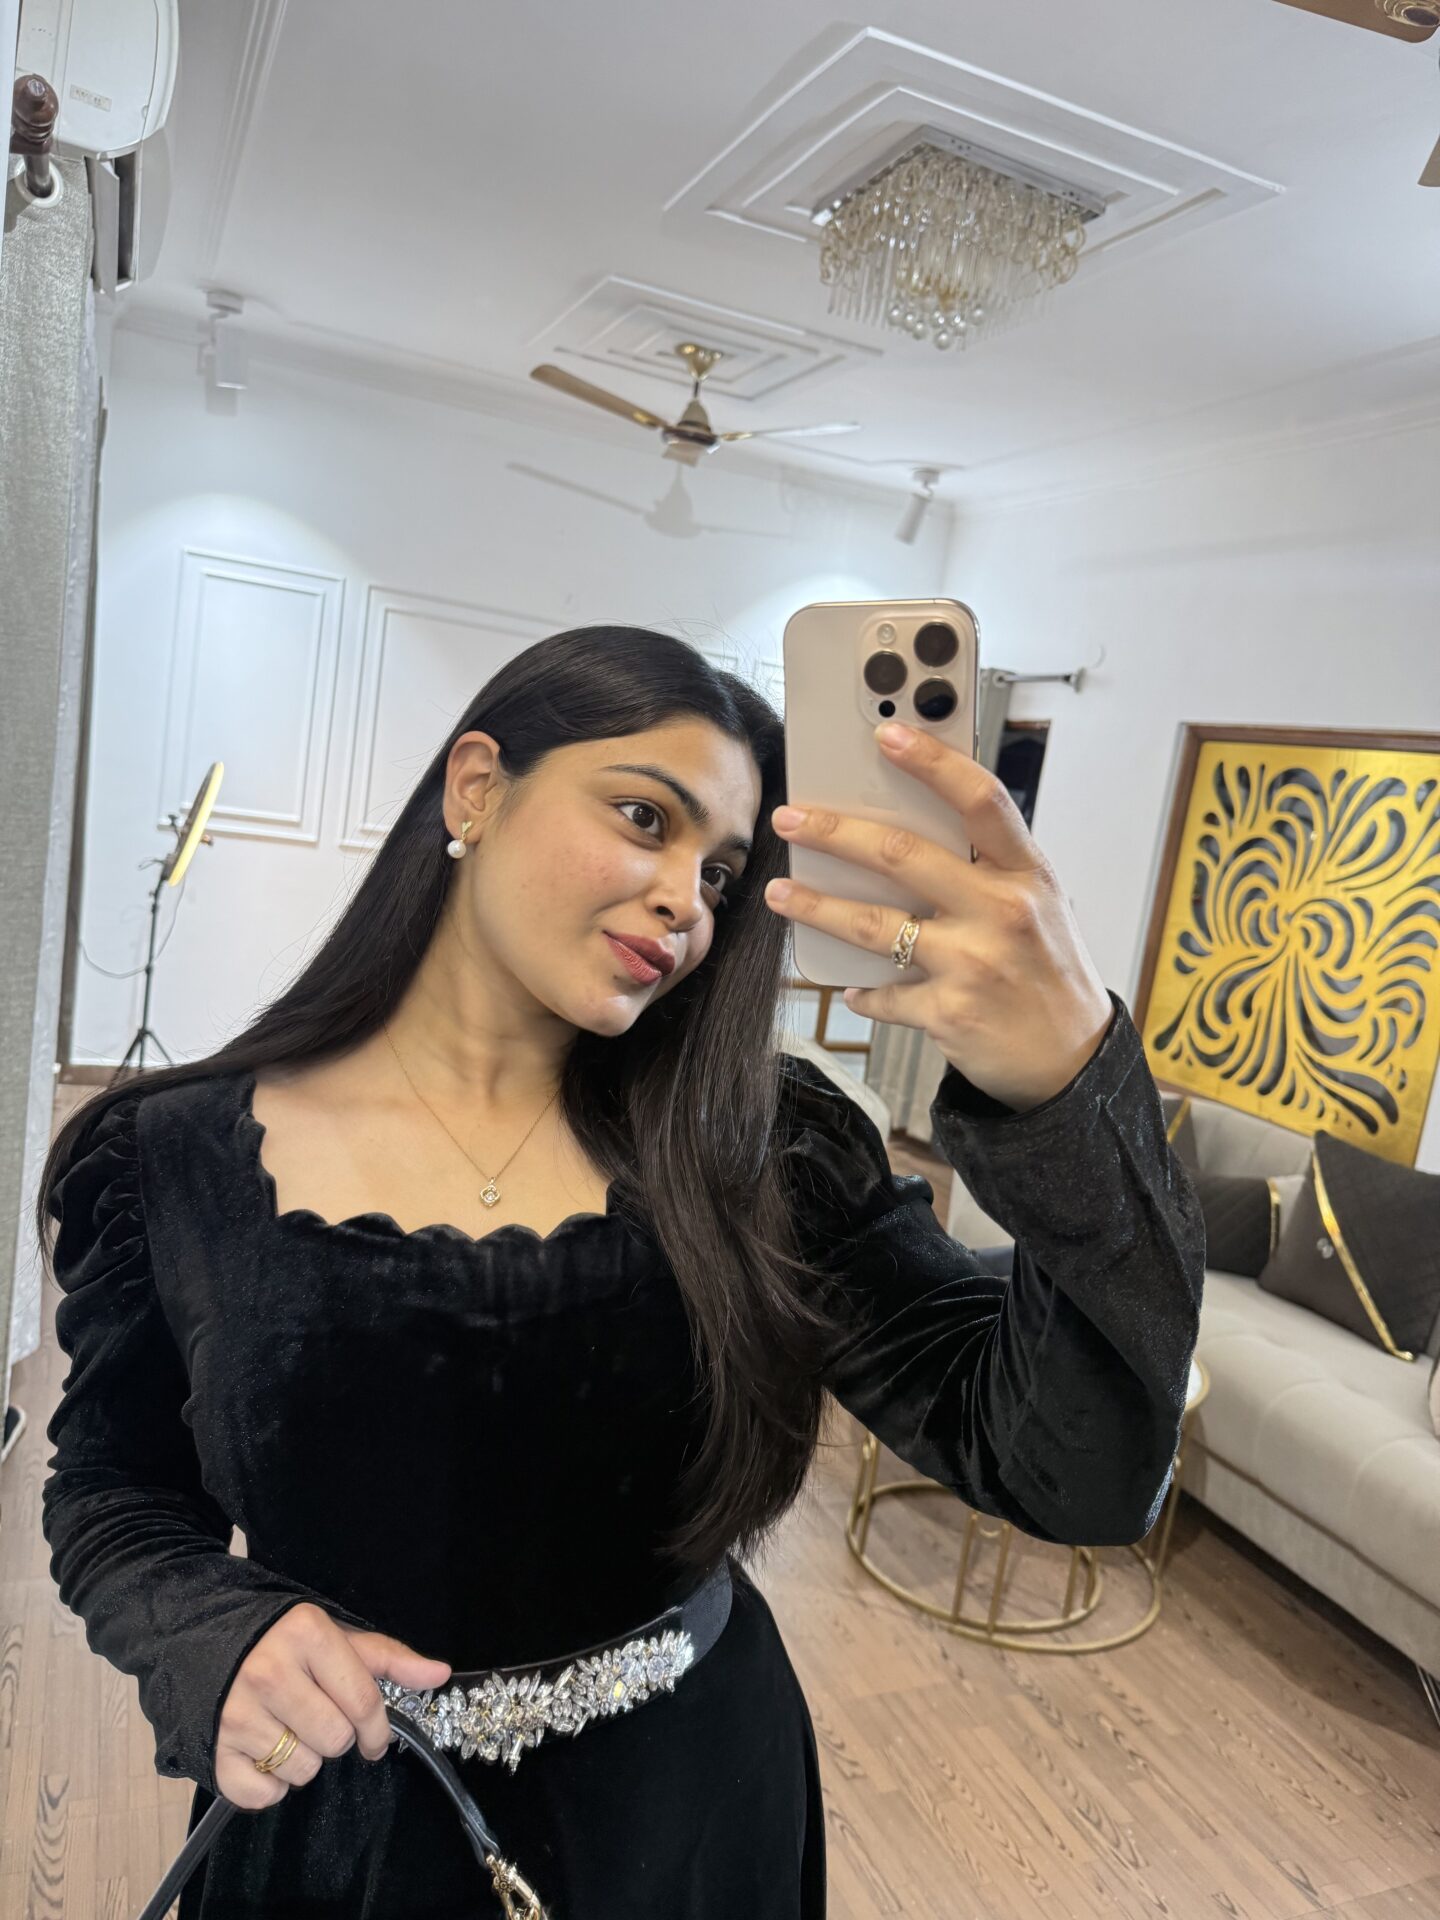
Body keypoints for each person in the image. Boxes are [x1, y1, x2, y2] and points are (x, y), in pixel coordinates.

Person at [37, 625, 1204, 1918]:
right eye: (646, 818)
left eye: (723, 873)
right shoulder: (170, 1161)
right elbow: (113, 1491)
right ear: (476, 787)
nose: (686, 901)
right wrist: (218, 1633)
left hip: (692, 1815)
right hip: (347, 1836)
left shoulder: (765, 1151)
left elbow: (1079, 1471)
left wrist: (1065, 1091)